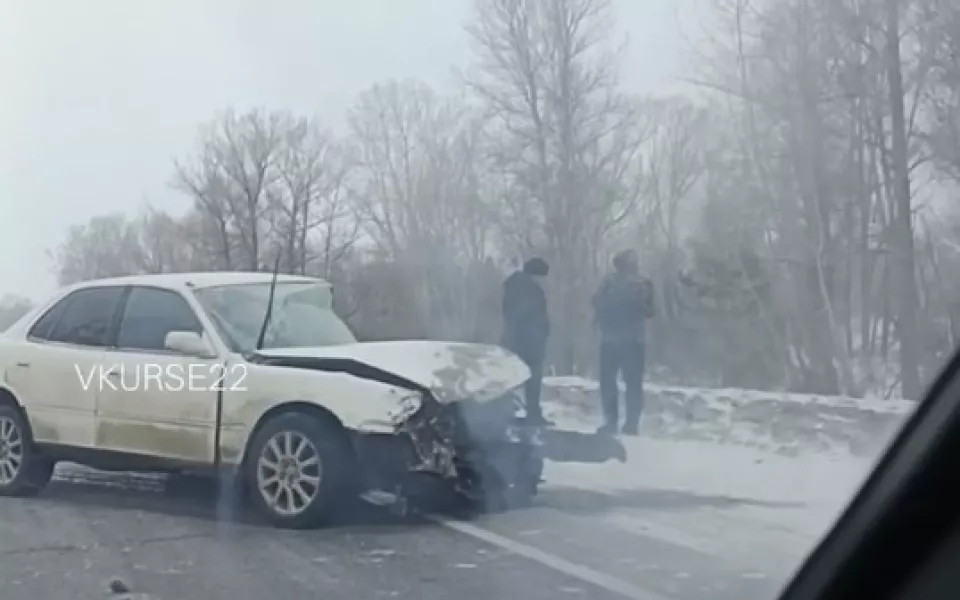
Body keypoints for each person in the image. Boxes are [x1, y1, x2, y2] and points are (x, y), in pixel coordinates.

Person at [591, 249, 656, 436]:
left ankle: (611, 422)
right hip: (636, 340)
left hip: (611, 339)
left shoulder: (608, 282)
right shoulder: (645, 284)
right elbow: (651, 312)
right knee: (634, 383)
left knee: (608, 382)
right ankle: (632, 424)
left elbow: (596, 302)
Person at [501, 257, 552, 425]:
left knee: (512, 377)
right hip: (528, 341)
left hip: (521, 340)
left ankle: (505, 412)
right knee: (531, 378)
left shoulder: (515, 286)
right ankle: (532, 414)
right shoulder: (528, 290)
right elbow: (525, 316)